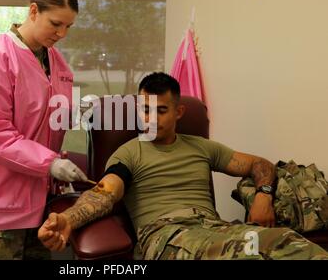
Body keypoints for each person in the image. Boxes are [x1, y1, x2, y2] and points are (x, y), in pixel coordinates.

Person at [38, 72, 328, 260]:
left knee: (292, 244)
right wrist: (69, 220)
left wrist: (264, 194)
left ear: (179, 112)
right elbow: (105, 193)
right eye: (145, 109)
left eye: (161, 110)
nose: (150, 118)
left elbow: (258, 164)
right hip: (167, 236)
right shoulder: (128, 153)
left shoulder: (201, 147)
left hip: (215, 230)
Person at [0, 0, 89, 260]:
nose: (62, 33)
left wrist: (74, 112)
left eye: (69, 26)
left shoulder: (56, 61)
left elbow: (44, 117)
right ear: (33, 11)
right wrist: (51, 163)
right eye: (56, 23)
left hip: (40, 202)